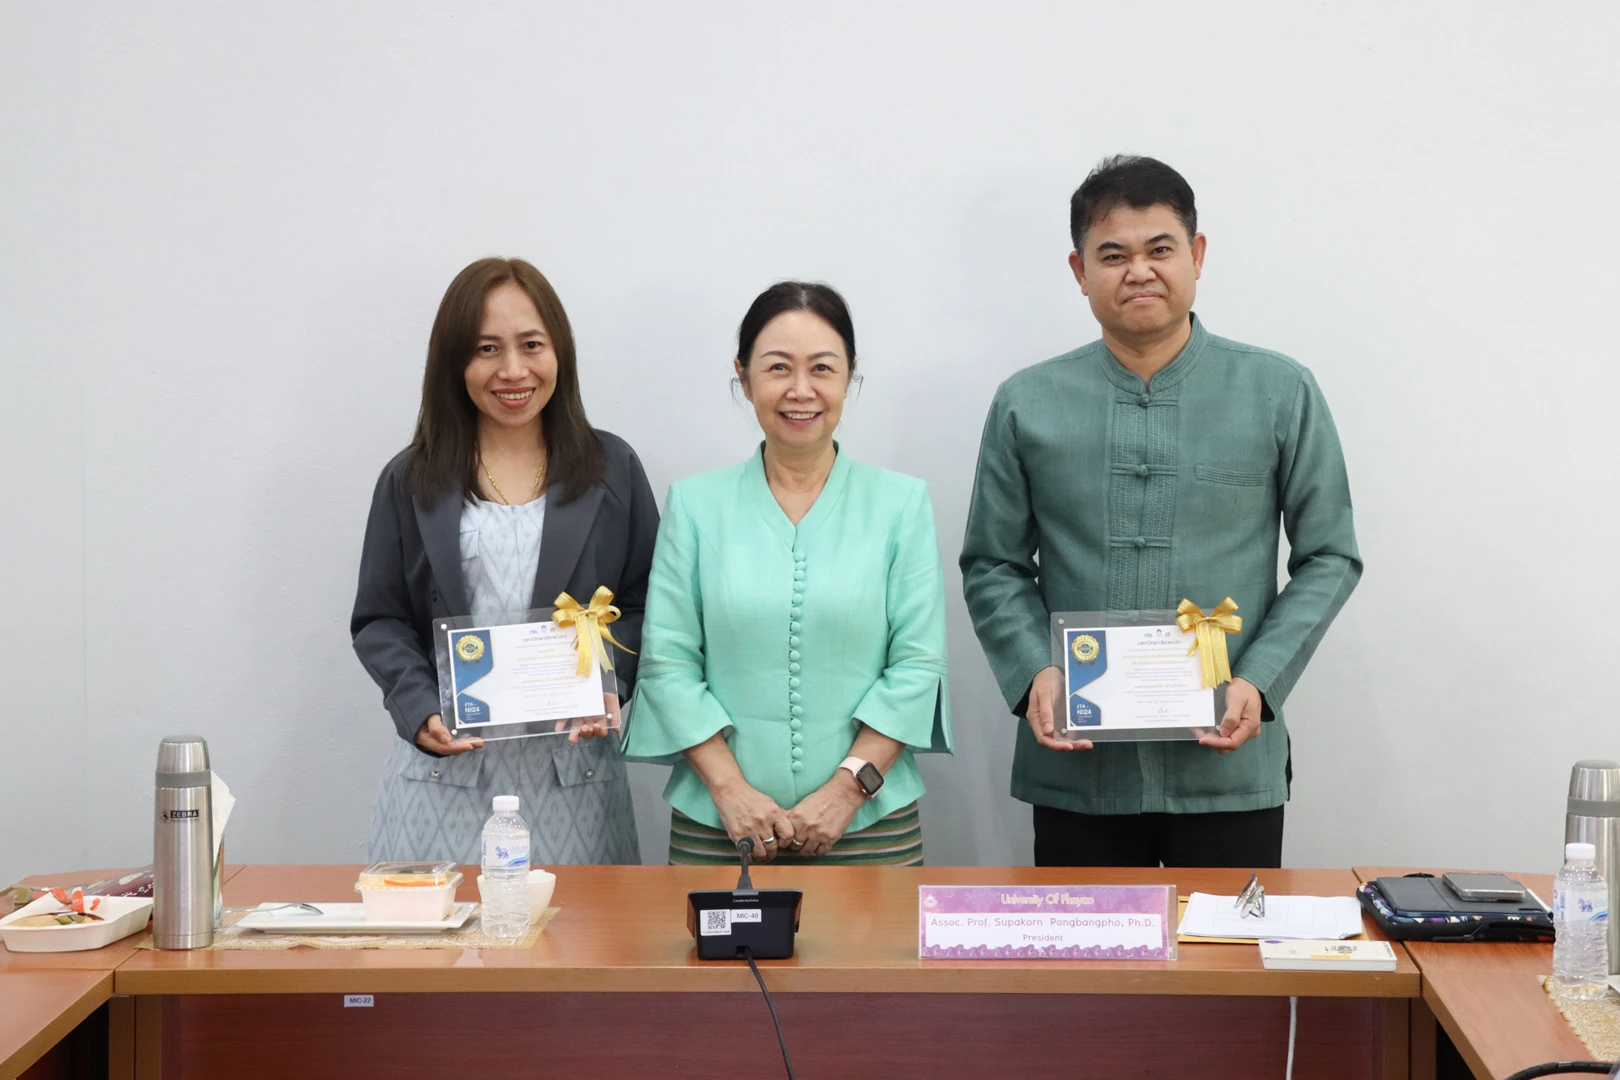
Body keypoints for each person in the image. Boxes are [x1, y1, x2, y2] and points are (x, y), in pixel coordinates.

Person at [960, 156, 1361, 868]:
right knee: (1089, 976)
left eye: (1159, 249)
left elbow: (1330, 555)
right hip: (1078, 769)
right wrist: (1033, 675)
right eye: (1112, 255)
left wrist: (1259, 680)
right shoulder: (1027, 401)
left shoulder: (1279, 390)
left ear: (1197, 256)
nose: (1138, 271)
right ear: (1080, 270)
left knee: (1230, 974)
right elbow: (992, 563)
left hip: (1226, 766)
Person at [625, 282, 952, 865]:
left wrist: (846, 791)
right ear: (744, 375)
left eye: (822, 368)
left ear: (849, 376)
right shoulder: (696, 506)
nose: (801, 390)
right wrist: (730, 792)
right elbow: (668, 662)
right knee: (714, 957)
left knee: (874, 959)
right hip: (721, 823)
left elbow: (916, 664)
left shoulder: (901, 504)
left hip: (871, 821)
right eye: (778, 367)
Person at [352, 256, 657, 865]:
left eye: (531, 345)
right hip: (444, 778)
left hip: (573, 781)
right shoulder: (411, 478)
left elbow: (648, 599)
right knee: (437, 957)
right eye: (486, 348)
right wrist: (418, 710)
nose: (512, 370)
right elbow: (379, 620)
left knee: (581, 954)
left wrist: (611, 684)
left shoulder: (611, 469)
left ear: (559, 353)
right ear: (454, 363)